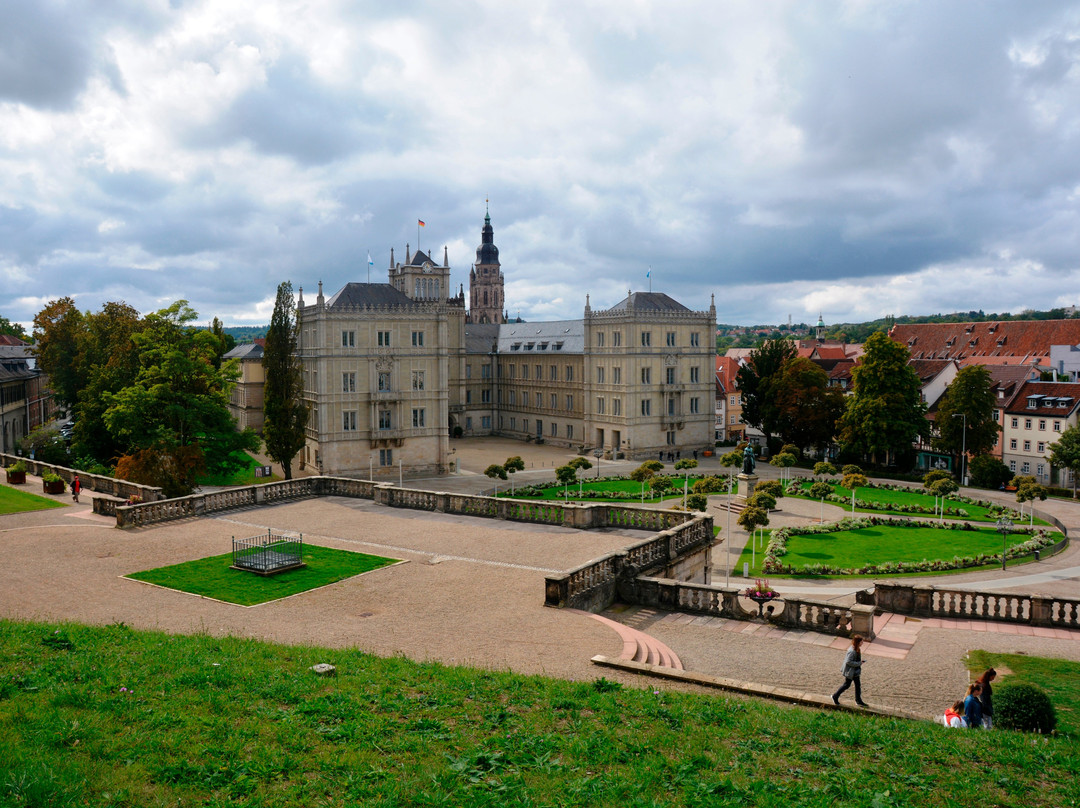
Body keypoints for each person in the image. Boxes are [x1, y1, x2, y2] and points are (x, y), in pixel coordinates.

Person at [832, 634, 868, 707]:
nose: (862, 643)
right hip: (851, 672)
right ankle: (835, 696)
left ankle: (858, 700)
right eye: (861, 642)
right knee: (847, 685)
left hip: (854, 671)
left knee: (855, 685)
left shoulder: (856, 649)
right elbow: (848, 661)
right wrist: (859, 663)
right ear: (858, 642)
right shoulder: (852, 651)